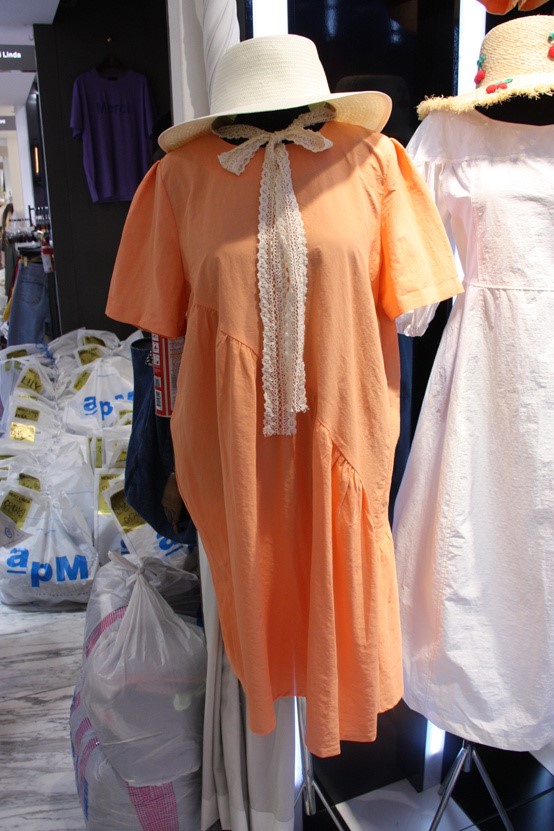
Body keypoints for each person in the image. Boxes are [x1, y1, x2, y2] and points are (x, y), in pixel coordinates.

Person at [106, 33, 461, 757]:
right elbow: (161, 321)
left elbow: (416, 303)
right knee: (256, 579)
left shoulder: (377, 162)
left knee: (344, 581)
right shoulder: (176, 180)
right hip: (233, 441)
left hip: (345, 425)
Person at [393, 14, 554, 752]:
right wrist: (417, 309)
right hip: (488, 357)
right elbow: (411, 276)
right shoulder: (444, 139)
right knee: (481, 525)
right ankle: (489, 695)